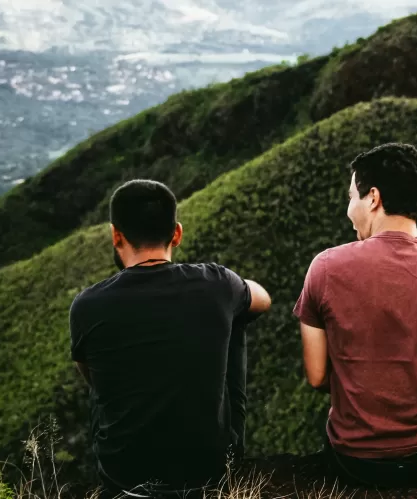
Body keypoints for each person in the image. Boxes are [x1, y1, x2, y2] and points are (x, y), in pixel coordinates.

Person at [294, 143, 417, 488]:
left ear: (373, 198)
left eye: (350, 198)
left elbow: (317, 377)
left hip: (355, 463)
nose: (348, 210)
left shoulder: (324, 268)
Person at [69, 179, 272, 497]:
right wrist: (231, 288)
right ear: (176, 233)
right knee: (238, 316)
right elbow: (263, 299)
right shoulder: (216, 283)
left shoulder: (86, 305)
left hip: (124, 474)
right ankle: (232, 459)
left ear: (116, 234)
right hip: (204, 470)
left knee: (105, 377)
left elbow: (94, 380)